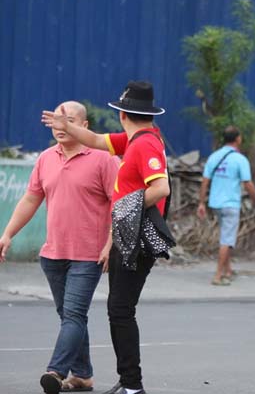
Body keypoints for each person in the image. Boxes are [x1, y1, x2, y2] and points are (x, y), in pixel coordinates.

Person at [42, 81, 171, 394]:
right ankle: (128, 382)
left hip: (136, 237)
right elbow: (97, 140)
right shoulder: (136, 139)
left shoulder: (144, 144)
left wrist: (126, 207)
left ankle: (132, 385)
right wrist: (68, 126)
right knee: (119, 309)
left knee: (121, 311)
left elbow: (161, 187)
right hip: (129, 235)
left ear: (124, 114)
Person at [0, 101, 118, 394]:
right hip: (52, 255)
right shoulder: (45, 159)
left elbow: (121, 204)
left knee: (74, 315)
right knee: (70, 317)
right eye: (56, 120)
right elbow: (31, 199)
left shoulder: (103, 159)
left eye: (69, 120)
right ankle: (83, 376)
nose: (61, 126)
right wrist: (7, 233)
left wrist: (111, 243)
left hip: (88, 255)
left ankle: (56, 371)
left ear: (84, 126)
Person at [197, 126, 255, 286]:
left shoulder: (214, 156)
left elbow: (205, 181)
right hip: (230, 204)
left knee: (225, 235)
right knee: (227, 239)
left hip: (215, 204)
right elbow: (248, 185)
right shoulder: (240, 160)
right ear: (238, 139)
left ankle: (227, 270)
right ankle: (218, 276)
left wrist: (201, 203)